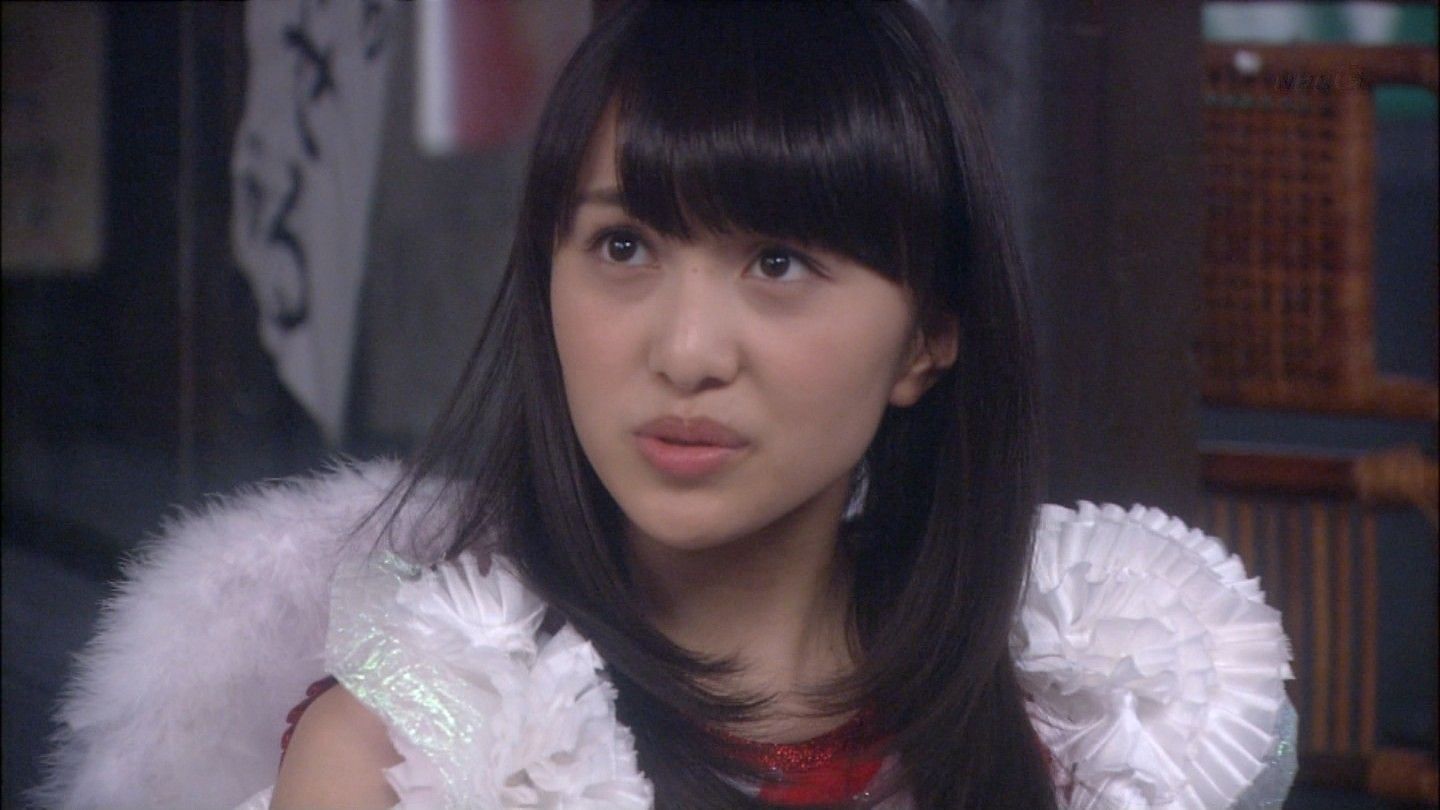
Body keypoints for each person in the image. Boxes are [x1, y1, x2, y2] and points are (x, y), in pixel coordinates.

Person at [38, 2, 1295, 808]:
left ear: (927, 338)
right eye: (624, 247)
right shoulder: (405, 755)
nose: (686, 353)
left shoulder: (1103, 720)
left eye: (779, 262)